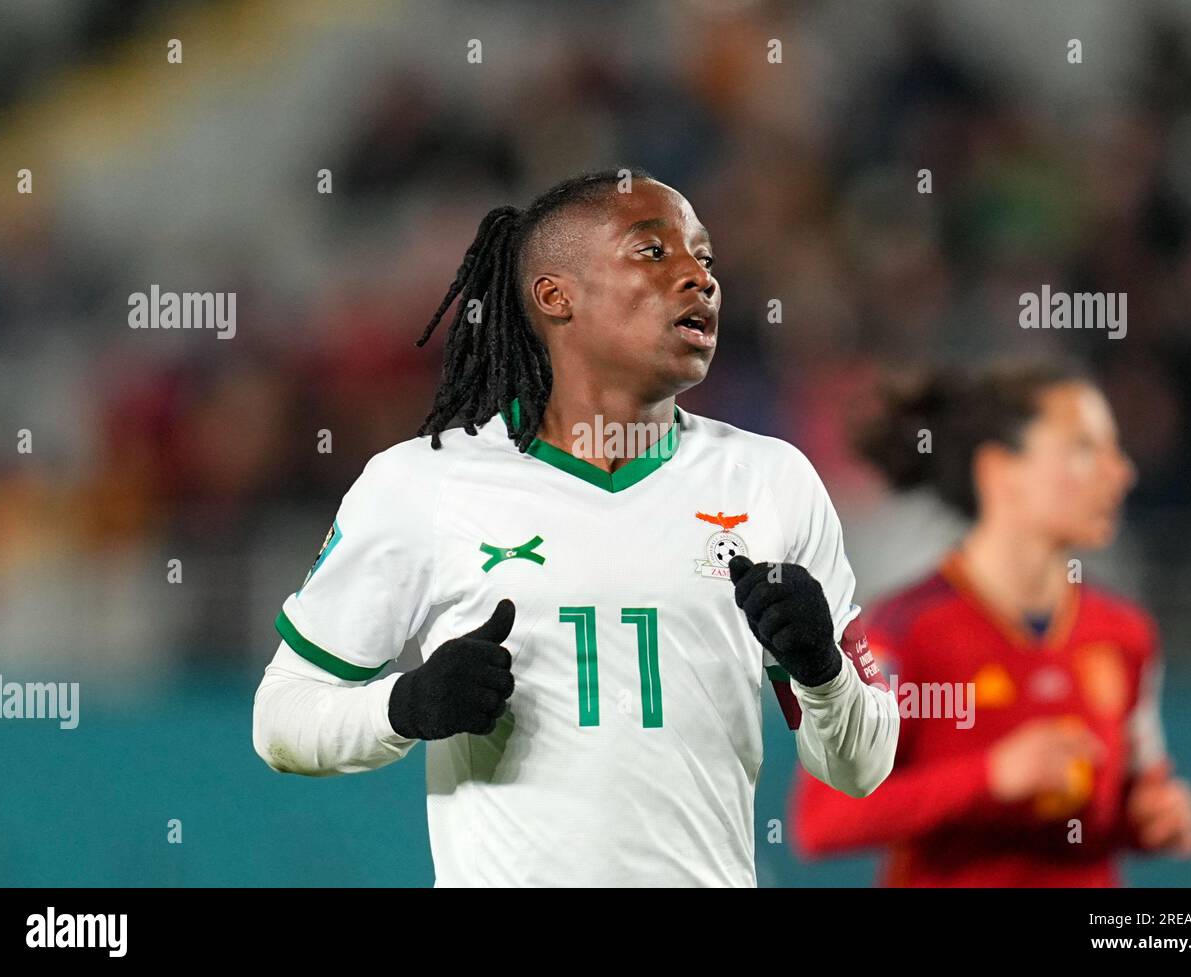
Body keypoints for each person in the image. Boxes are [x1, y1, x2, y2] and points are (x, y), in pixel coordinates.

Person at [251, 168, 899, 886]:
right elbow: (281, 720)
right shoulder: (421, 484)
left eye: (705, 258)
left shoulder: (773, 481)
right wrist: (405, 705)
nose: (699, 278)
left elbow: (863, 767)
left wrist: (824, 672)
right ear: (556, 295)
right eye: (654, 253)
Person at [792, 361, 1191, 886]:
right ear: (999, 470)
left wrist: (1149, 820)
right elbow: (821, 820)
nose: (1119, 472)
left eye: (1115, 450)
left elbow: (1117, 805)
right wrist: (992, 777)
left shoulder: (1125, 634)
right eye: (1084, 448)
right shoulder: (903, 631)